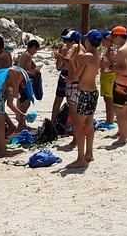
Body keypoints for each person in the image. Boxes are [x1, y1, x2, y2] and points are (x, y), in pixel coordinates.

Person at [65, 31, 101, 168]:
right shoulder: (96, 54)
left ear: (88, 41)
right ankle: (89, 153)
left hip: (85, 92)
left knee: (78, 124)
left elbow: (76, 75)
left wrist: (74, 54)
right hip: (93, 91)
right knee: (89, 122)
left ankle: (81, 158)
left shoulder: (87, 56)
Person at [110, 25, 127, 143]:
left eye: (113, 37)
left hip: (121, 82)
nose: (112, 40)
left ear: (118, 36)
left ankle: (123, 136)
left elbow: (122, 69)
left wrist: (110, 66)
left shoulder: (122, 50)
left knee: (119, 109)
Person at [50, 30, 79, 122]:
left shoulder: (64, 47)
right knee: (73, 102)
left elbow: (58, 66)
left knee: (58, 99)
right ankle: (70, 122)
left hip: (65, 74)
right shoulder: (80, 48)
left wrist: (58, 57)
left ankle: (53, 121)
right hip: (76, 75)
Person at [14, 39, 42, 116]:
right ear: (33, 47)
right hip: (24, 81)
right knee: (26, 103)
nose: (35, 52)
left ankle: (20, 119)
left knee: (20, 101)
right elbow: (27, 70)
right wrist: (36, 70)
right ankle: (21, 120)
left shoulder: (23, 54)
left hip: (19, 81)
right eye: (36, 50)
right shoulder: (28, 56)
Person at [99, 31, 117, 126]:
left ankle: (110, 121)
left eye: (102, 39)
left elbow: (114, 64)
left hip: (109, 76)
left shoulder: (112, 51)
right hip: (105, 76)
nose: (101, 41)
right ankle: (108, 119)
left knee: (109, 99)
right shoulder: (107, 50)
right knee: (106, 99)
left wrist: (108, 66)